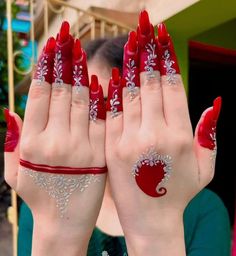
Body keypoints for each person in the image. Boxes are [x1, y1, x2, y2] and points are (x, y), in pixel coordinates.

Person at [4, 11, 231, 256]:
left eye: (107, 105)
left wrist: (156, 233)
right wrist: (57, 236)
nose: (92, 125)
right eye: (77, 110)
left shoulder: (205, 210)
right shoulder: (42, 206)